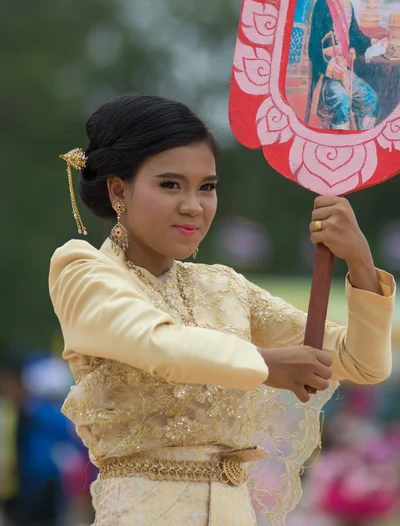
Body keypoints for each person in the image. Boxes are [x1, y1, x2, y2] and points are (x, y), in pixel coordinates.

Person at [49, 93, 394, 525]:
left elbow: (360, 363)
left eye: (207, 187)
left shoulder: (224, 287)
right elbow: (160, 346)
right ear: (119, 190)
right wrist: (268, 364)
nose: (194, 205)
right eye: (170, 184)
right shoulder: (82, 271)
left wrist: (360, 263)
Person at [308, 0, 387, 131]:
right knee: (343, 101)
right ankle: (339, 147)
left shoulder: (348, 5)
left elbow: (356, 36)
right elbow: (313, 48)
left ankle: (359, 142)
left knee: (371, 100)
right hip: (326, 78)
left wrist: (375, 41)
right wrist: (330, 69)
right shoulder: (323, 3)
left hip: (345, 72)